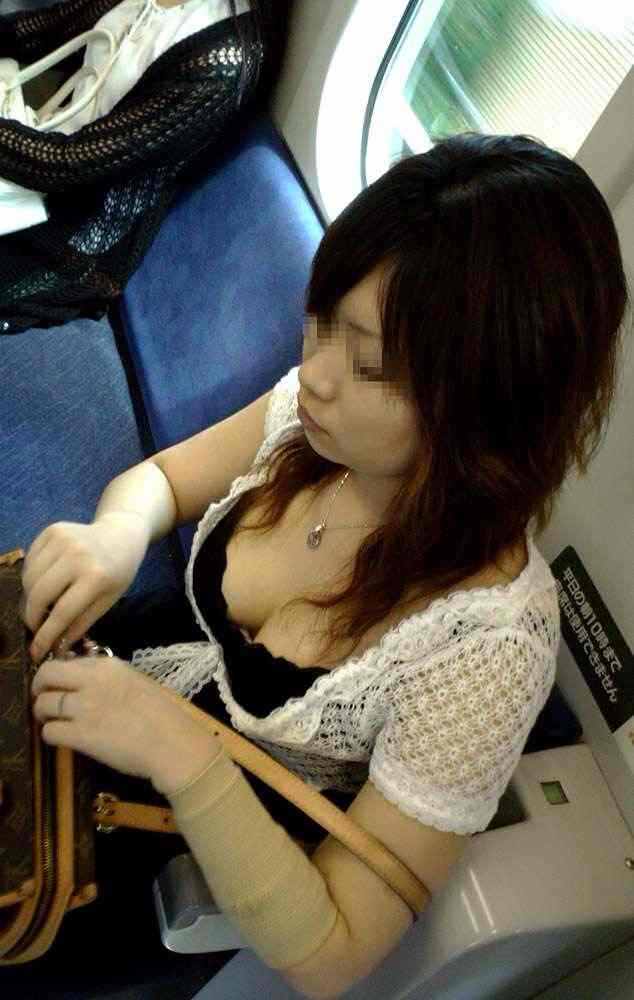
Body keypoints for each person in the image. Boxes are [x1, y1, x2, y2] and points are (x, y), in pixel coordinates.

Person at [12, 131, 630, 998]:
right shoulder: (312, 424)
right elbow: (162, 482)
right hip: (108, 680)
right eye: (322, 319)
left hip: (159, 845)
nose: (315, 373)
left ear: (488, 399)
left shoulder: (489, 647)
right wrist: (116, 535)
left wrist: (177, 750)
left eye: (370, 362)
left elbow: (335, 951)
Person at [0, 0, 292, 332]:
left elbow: (69, 165)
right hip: (40, 150)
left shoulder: (224, 62)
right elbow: (50, 27)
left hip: (76, 225)